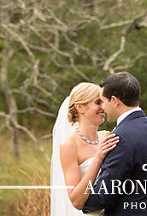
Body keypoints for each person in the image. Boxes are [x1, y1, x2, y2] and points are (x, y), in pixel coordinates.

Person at [82, 72, 147, 216]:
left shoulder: (119, 138)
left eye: (103, 101)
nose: (103, 108)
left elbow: (104, 195)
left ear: (115, 101)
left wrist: (81, 203)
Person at [50, 82, 119, 216]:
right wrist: (98, 158)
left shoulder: (106, 136)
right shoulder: (69, 145)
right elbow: (75, 199)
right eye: (97, 102)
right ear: (80, 107)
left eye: (103, 102)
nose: (103, 107)